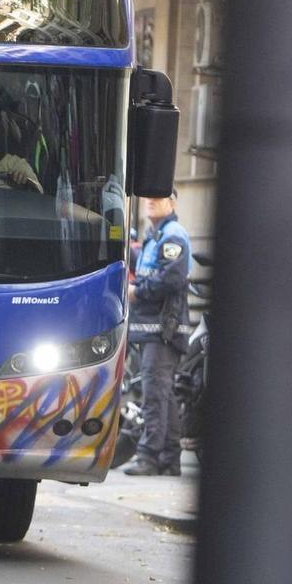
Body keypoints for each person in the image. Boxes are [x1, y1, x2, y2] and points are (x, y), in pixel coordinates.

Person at [124, 192, 190, 478]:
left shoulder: (172, 235)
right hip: (155, 328)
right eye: (148, 196)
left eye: (159, 196)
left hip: (163, 329)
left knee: (154, 393)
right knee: (164, 395)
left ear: (172, 203)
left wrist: (137, 292)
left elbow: (171, 277)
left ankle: (148, 457)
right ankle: (169, 459)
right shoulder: (155, 235)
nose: (151, 199)